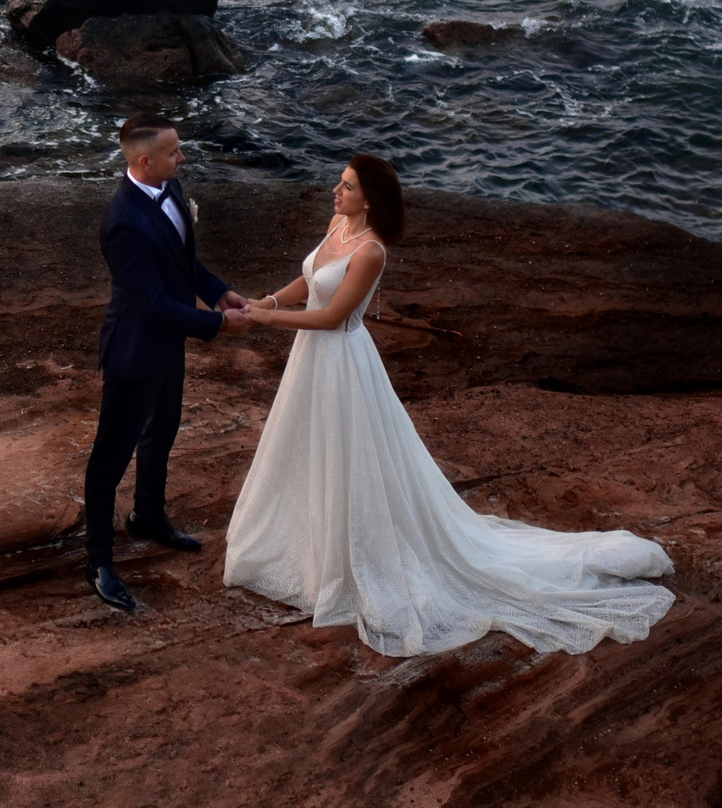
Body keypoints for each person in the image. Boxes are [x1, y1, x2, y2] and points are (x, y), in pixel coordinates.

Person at [222, 155, 675, 656]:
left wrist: (265, 323)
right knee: (307, 446)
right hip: (311, 360)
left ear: (369, 199)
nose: (336, 190)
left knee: (347, 452)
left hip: (341, 360)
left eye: (346, 186)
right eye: (340, 183)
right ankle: (307, 546)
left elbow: (331, 317)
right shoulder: (337, 225)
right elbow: (310, 281)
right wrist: (269, 302)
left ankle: (350, 558)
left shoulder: (372, 250)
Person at [81, 114, 252, 614]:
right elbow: (152, 304)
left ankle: (148, 516)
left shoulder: (171, 189)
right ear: (143, 161)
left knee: (163, 433)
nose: (182, 158)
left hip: (169, 345)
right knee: (109, 459)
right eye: (174, 152)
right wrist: (218, 327)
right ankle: (99, 561)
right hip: (134, 354)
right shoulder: (122, 223)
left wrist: (218, 293)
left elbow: (184, 264)